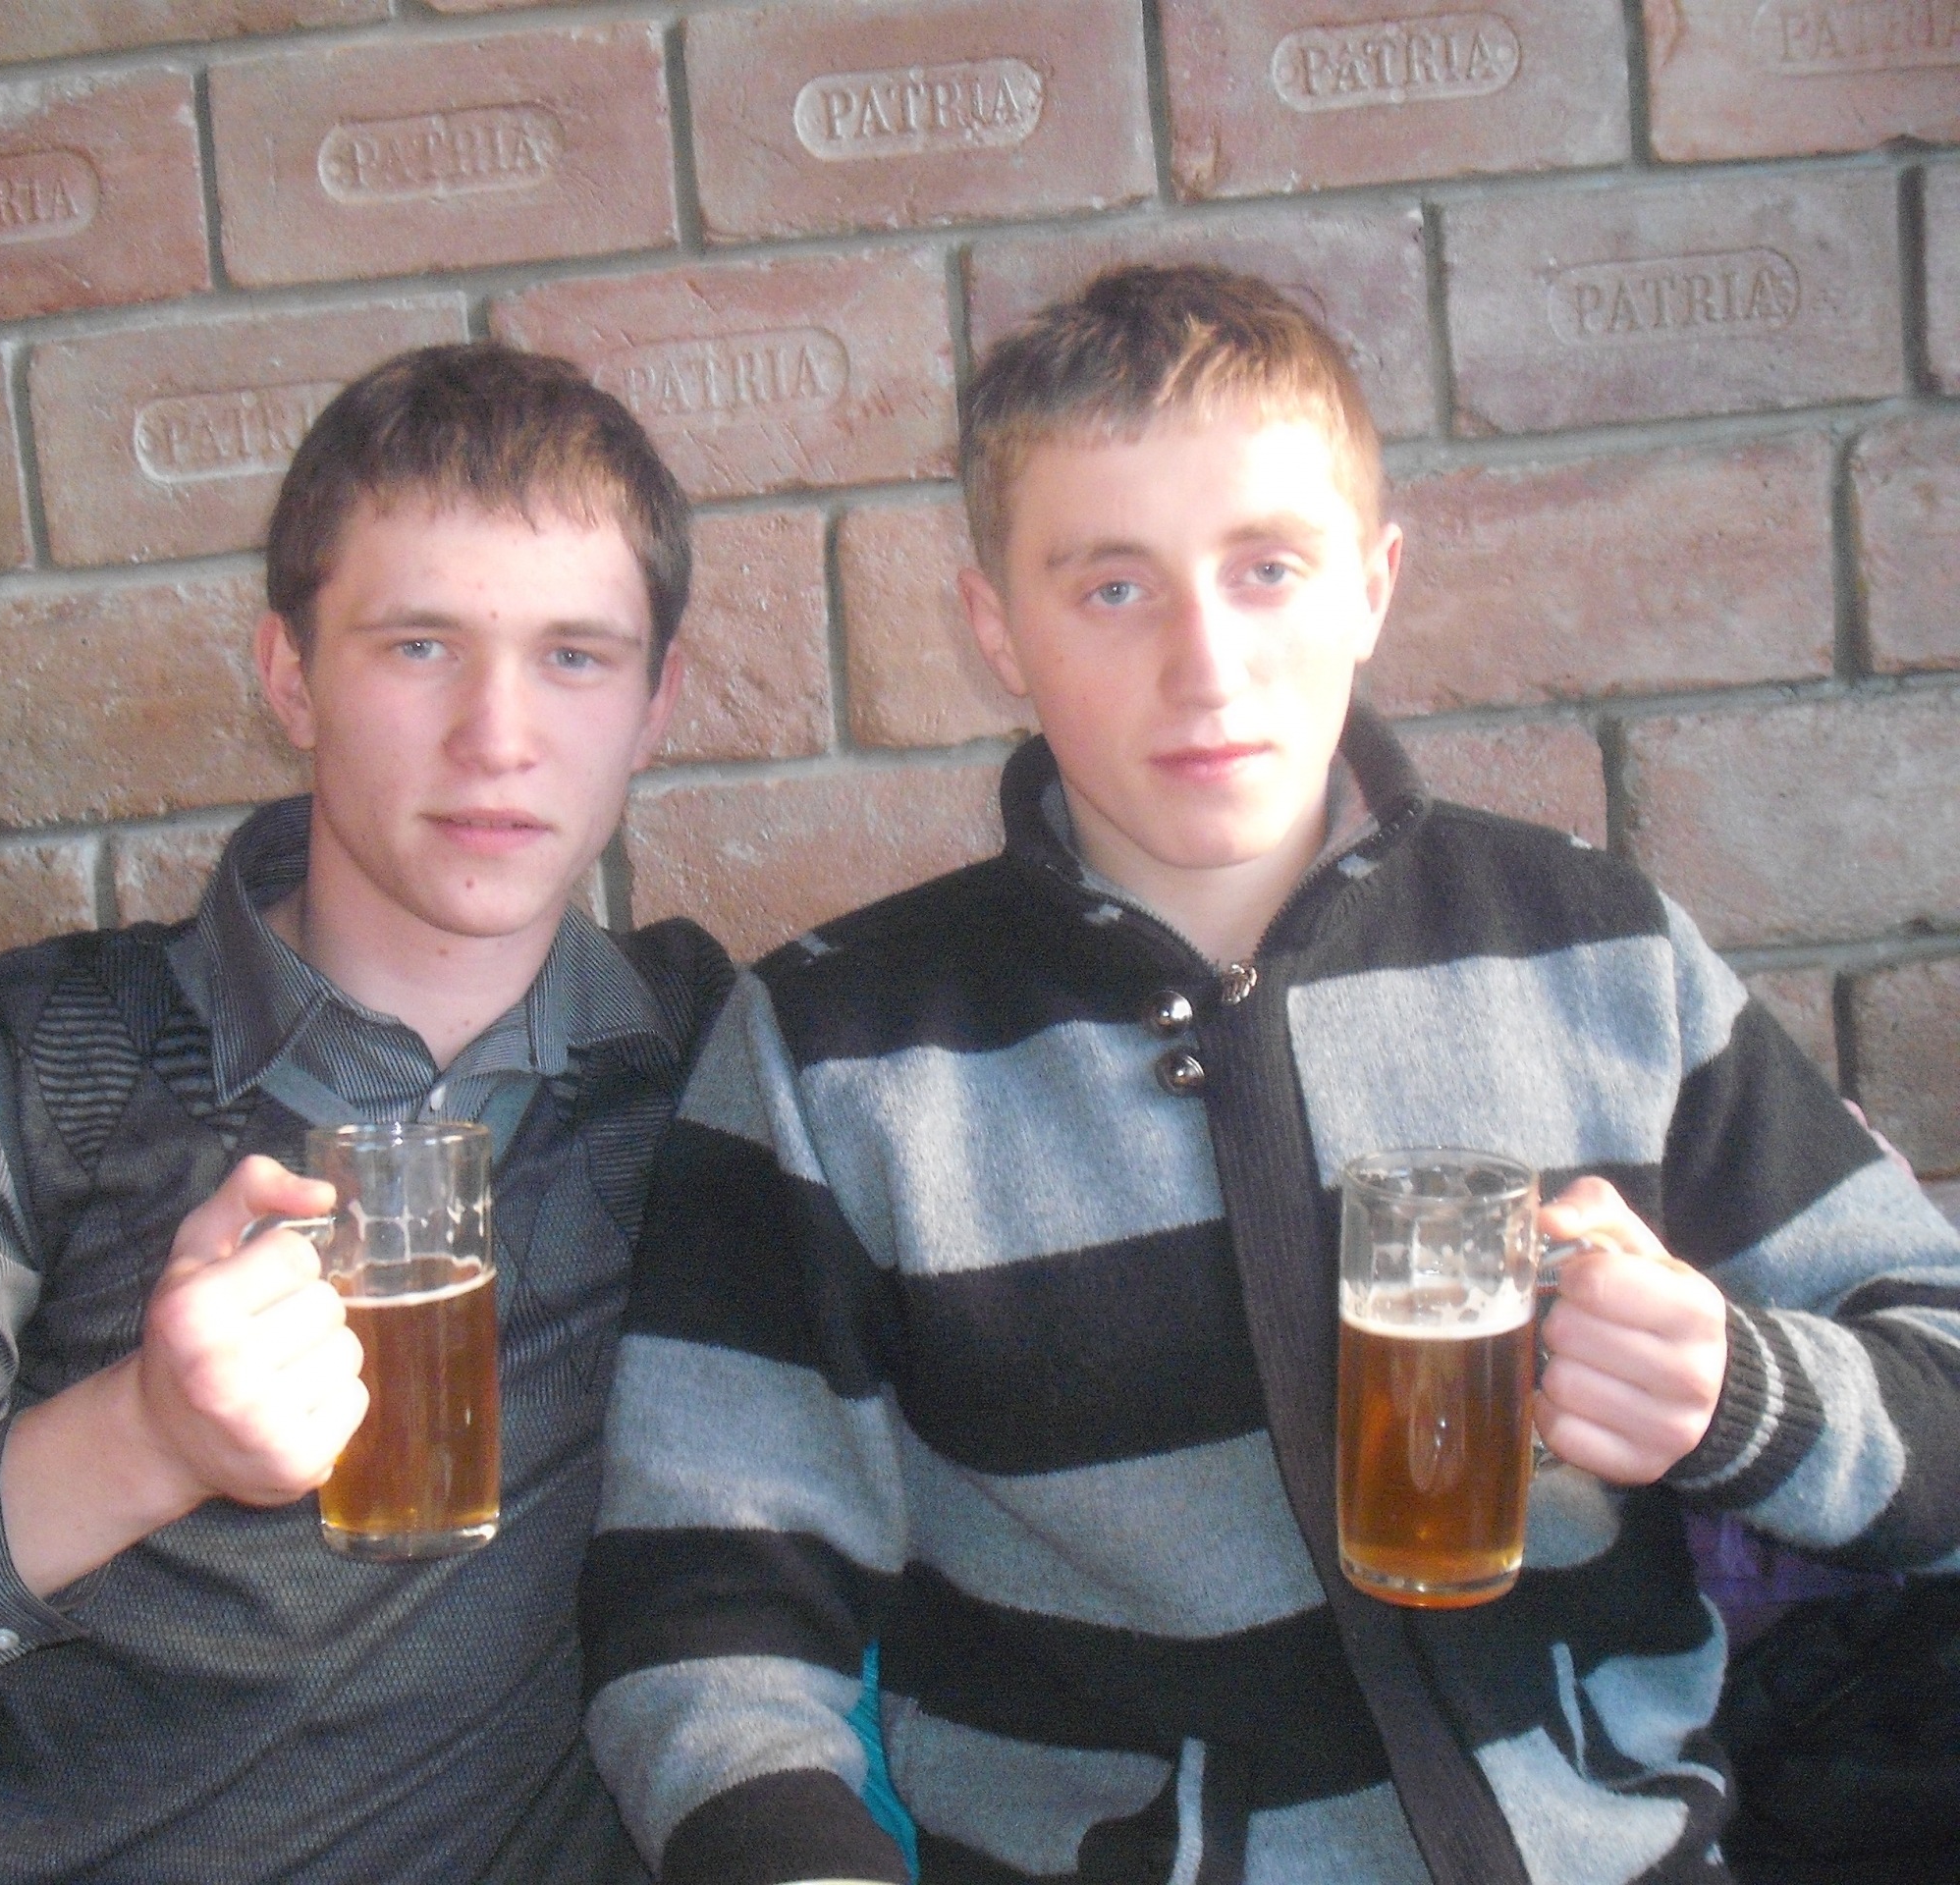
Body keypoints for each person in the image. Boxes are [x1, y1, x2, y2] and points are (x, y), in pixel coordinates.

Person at [577, 266, 1960, 1885]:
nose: (1207, 664)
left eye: (1268, 570)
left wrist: (1739, 1395)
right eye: (1112, 588)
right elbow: (704, 1612)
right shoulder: (833, 1050)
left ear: (1373, 587)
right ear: (995, 629)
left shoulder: (1601, 951)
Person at [0, 342, 731, 1885]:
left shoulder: (711, 1072)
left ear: (657, 703)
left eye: (576, 657)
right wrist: (142, 1438)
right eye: (418, 645)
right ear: (290, 676)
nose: (498, 735)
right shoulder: (46, 1065)